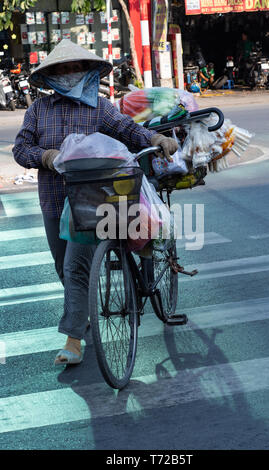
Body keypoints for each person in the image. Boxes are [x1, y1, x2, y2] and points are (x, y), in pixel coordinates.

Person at [12, 39, 178, 366]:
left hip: (90, 202)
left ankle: (73, 341)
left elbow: (129, 131)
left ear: (86, 71)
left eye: (74, 67)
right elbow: (20, 149)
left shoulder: (99, 108)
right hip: (53, 200)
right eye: (61, 69)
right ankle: (82, 313)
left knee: (76, 267)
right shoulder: (38, 110)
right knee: (65, 268)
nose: (68, 73)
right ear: (50, 77)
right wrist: (45, 156)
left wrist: (156, 139)